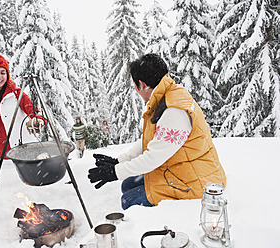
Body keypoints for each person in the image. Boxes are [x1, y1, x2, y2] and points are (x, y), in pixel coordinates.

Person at [88, 53, 226, 210]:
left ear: (142, 84)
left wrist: (114, 172)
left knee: (128, 200)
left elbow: (152, 158)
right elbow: (154, 140)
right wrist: (120, 161)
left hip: (197, 181)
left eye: (135, 85)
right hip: (179, 169)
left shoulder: (174, 111)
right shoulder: (167, 96)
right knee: (127, 184)